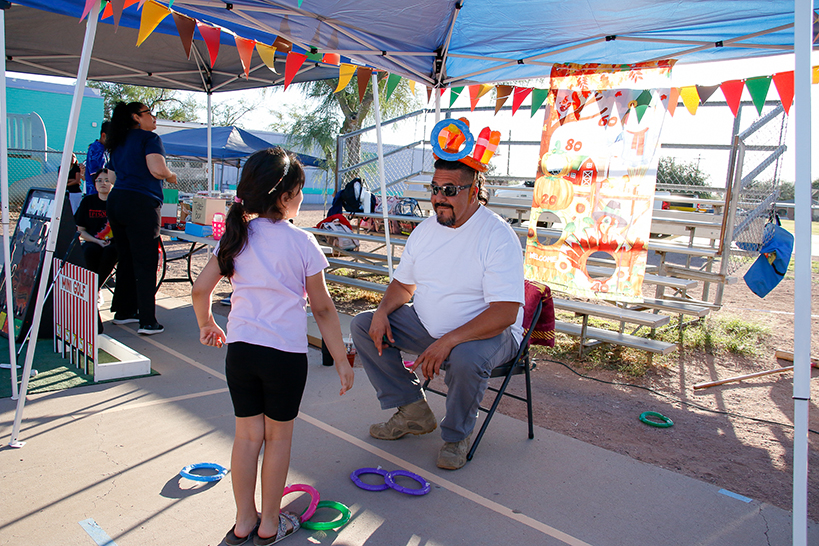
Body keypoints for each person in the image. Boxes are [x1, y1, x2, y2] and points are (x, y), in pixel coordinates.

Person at [191, 148, 354, 546]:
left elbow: (200, 290)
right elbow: (323, 309)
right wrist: (339, 359)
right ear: (283, 197)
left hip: (242, 352)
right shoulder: (302, 242)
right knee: (278, 439)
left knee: (247, 438)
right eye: (299, 191)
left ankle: (243, 521)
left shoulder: (236, 237)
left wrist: (207, 323)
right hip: (284, 356)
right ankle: (269, 525)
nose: (302, 198)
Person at [351, 128, 524, 471]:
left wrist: (448, 341)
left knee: (465, 357)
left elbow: (505, 313)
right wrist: (385, 311)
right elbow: (403, 285)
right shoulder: (425, 231)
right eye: (435, 189)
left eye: (449, 190)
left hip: (488, 335)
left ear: (474, 191)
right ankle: (413, 410)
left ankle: (456, 435)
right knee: (364, 324)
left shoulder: (497, 235)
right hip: (430, 326)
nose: (439, 198)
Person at [105, 102, 177, 335]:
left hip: (117, 201)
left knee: (125, 258)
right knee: (145, 262)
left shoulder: (118, 141)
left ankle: (124, 311)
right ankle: (148, 320)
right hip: (141, 203)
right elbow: (157, 169)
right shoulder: (150, 139)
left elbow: (112, 177)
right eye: (149, 114)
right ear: (136, 117)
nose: (154, 118)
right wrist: (171, 175)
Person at [74, 168, 118, 289]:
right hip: (92, 240)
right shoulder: (88, 202)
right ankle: (91, 290)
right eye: (99, 180)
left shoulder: (118, 203)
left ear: (113, 183)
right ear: (94, 183)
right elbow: (80, 230)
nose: (102, 183)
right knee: (89, 252)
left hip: (114, 243)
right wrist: (97, 241)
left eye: (106, 180)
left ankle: (94, 289)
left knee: (111, 252)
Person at [84, 121, 110, 196]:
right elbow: (95, 174)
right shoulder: (96, 149)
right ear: (103, 135)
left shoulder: (104, 149)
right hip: (96, 194)